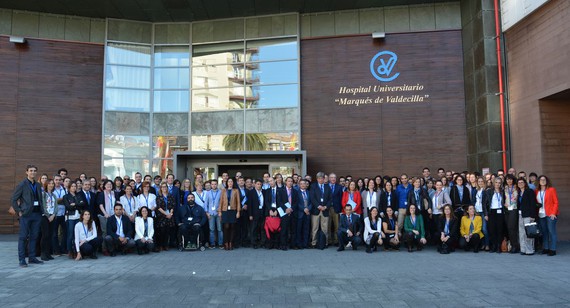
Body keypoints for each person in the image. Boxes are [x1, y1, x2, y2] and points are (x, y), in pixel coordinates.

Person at [11, 165, 45, 267]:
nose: (33, 172)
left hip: (37, 214)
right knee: (23, 237)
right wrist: (19, 211)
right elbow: (13, 199)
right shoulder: (22, 184)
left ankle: (32, 258)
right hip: (26, 215)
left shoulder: (38, 185)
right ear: (26, 172)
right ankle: (22, 260)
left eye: (35, 171)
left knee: (34, 237)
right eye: (31, 171)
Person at [536, 175, 559, 256]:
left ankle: (553, 249)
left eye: (544, 179)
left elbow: (556, 202)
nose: (542, 181)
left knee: (551, 231)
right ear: (538, 181)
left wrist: (553, 213)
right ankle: (546, 248)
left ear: (547, 181)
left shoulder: (551, 190)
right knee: (544, 232)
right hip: (541, 214)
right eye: (541, 179)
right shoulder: (537, 191)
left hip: (550, 214)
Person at [310, 172, 332, 248]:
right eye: (319, 178)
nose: (320, 179)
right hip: (316, 210)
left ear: (324, 179)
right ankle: (314, 243)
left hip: (325, 210)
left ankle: (325, 243)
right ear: (317, 179)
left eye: (322, 178)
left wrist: (326, 207)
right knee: (315, 228)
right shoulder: (313, 186)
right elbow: (312, 198)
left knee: (325, 228)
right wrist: (318, 206)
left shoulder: (327, 187)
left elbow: (330, 199)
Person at [63, 182, 85, 258]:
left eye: (75, 186)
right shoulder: (66, 196)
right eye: (72, 186)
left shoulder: (79, 195)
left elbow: (83, 204)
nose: (74, 187)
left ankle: (77, 250)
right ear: (69, 187)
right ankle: (69, 250)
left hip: (78, 217)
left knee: (77, 235)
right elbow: (68, 207)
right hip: (71, 217)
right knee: (70, 234)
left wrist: (75, 204)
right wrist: (77, 204)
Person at [218, 178, 241, 250]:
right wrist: (219, 211)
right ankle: (226, 242)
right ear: (227, 183)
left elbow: (238, 201)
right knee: (226, 227)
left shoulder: (236, 190)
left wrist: (238, 211)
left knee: (232, 227)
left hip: (233, 210)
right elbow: (221, 201)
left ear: (233, 183)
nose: (230, 183)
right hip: (225, 211)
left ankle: (231, 242)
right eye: (229, 181)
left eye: (231, 181)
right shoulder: (223, 190)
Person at [484, 177, 505, 253]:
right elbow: (485, 203)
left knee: (500, 229)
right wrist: (486, 214)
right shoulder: (489, 191)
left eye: (499, 183)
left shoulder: (502, 191)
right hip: (491, 212)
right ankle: (493, 245)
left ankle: (499, 246)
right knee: (492, 230)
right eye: (496, 182)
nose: (498, 184)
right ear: (493, 183)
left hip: (500, 211)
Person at [277, 177, 298, 250]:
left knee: (293, 230)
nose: (290, 182)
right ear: (286, 182)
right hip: (284, 213)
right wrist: (286, 209)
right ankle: (283, 245)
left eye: (291, 181)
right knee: (284, 230)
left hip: (293, 213)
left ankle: (293, 245)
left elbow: (296, 202)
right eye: (289, 181)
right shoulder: (281, 191)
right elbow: (279, 202)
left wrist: (291, 209)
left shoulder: (295, 191)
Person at [516, 178, 537, 255]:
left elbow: (532, 204)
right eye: (519, 183)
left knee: (528, 232)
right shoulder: (519, 192)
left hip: (528, 215)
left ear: (525, 183)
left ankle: (529, 250)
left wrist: (532, 215)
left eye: (522, 182)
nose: (520, 184)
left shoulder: (529, 191)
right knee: (521, 232)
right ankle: (523, 249)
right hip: (520, 214)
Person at [97, 179, 118, 253]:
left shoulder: (114, 193)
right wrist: (105, 213)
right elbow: (100, 205)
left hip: (113, 215)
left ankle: (112, 248)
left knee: (113, 231)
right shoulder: (101, 194)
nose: (109, 186)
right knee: (105, 232)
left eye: (111, 184)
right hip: (104, 216)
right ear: (104, 186)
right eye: (107, 184)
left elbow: (117, 203)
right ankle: (104, 248)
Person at [155, 183, 177, 251]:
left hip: (169, 215)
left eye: (165, 187)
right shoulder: (159, 197)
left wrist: (170, 213)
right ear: (161, 188)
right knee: (162, 231)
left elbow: (173, 205)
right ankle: (161, 245)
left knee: (168, 231)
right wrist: (166, 214)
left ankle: (166, 245)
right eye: (163, 187)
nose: (164, 188)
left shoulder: (171, 196)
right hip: (161, 216)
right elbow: (158, 207)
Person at [40, 179, 56, 261]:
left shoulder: (53, 195)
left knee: (50, 235)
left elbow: (55, 207)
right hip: (44, 217)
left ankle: (48, 253)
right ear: (46, 184)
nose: (51, 185)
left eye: (52, 183)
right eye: (49, 183)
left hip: (52, 217)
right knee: (45, 235)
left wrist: (53, 215)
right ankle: (43, 253)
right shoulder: (43, 194)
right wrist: (48, 216)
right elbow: (42, 206)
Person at [503, 174, 520, 253]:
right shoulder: (504, 188)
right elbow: (502, 198)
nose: (509, 181)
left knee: (512, 227)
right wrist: (503, 204)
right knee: (509, 228)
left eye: (510, 179)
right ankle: (513, 245)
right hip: (507, 210)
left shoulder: (517, 188)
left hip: (514, 209)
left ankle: (515, 246)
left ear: (513, 180)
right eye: (507, 179)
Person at [248, 179, 266, 249]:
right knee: (254, 229)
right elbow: (249, 205)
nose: (259, 185)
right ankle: (254, 243)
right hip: (254, 213)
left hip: (262, 213)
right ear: (254, 184)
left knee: (262, 228)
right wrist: (250, 215)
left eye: (260, 184)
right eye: (257, 184)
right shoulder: (251, 192)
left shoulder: (264, 192)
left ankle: (262, 242)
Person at [264, 178, 281, 249]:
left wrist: (277, 210)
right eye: (269, 182)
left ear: (275, 181)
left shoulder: (281, 190)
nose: (270, 182)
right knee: (270, 228)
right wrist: (270, 210)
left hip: (278, 211)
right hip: (270, 211)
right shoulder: (267, 191)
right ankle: (270, 244)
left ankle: (277, 244)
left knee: (277, 228)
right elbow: (266, 201)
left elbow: (282, 201)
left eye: (271, 181)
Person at [206, 179, 223, 249]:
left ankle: (220, 244)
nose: (214, 185)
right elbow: (205, 204)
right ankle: (212, 244)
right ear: (211, 185)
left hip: (218, 213)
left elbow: (222, 203)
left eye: (215, 184)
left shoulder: (221, 192)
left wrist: (221, 212)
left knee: (220, 229)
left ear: (217, 184)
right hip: (210, 213)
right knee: (211, 229)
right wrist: (207, 212)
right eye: (212, 184)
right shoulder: (208, 193)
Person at [52, 174, 67, 255]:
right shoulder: (51, 189)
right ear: (54, 180)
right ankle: (56, 250)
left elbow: (66, 200)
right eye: (56, 180)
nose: (58, 181)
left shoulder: (63, 189)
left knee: (64, 233)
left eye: (59, 180)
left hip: (63, 214)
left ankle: (63, 249)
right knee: (55, 234)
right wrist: (62, 199)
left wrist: (59, 200)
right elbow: (54, 201)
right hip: (55, 214)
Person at [295, 179, 312, 249]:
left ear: (306, 185)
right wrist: (303, 209)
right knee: (299, 230)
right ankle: (299, 244)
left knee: (306, 229)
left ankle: (305, 244)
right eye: (301, 184)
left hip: (307, 213)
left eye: (304, 184)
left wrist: (308, 208)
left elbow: (311, 202)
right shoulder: (296, 192)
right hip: (300, 213)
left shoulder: (309, 192)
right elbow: (296, 203)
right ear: (299, 185)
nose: (303, 185)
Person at [328, 173, 343, 246]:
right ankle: (329, 240)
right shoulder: (325, 186)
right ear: (329, 178)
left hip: (336, 209)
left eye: (334, 177)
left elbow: (341, 198)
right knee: (328, 225)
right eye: (331, 177)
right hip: (327, 209)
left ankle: (337, 240)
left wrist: (340, 209)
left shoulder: (339, 187)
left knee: (337, 225)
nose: (333, 179)